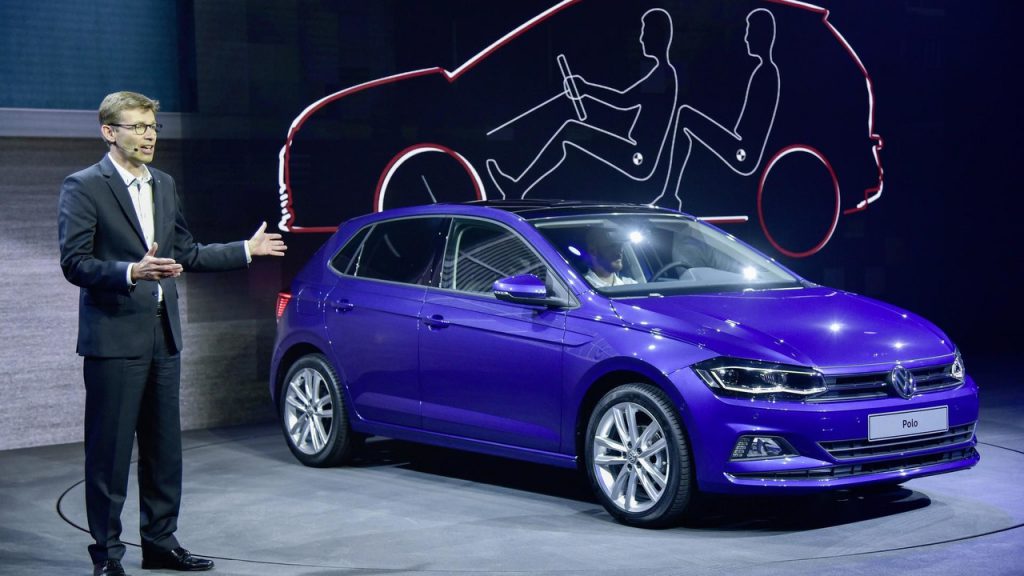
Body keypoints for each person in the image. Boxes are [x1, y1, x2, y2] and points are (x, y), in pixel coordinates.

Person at [58, 91, 287, 576]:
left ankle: (160, 543)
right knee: (109, 454)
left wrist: (245, 250)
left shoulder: (163, 184)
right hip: (114, 339)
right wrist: (131, 272)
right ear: (109, 132)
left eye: (152, 127)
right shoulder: (84, 186)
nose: (149, 137)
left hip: (164, 336)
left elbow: (187, 252)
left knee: (164, 451)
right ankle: (107, 555)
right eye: (138, 127)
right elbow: (75, 263)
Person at [486, 8, 678, 198]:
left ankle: (517, 188)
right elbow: (627, 103)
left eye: (646, 32)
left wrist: (586, 88)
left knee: (569, 132)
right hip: (635, 149)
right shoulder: (660, 73)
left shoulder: (661, 75)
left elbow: (624, 101)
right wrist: (586, 91)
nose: (642, 38)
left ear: (658, 36)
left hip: (638, 157)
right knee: (571, 132)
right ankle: (518, 188)